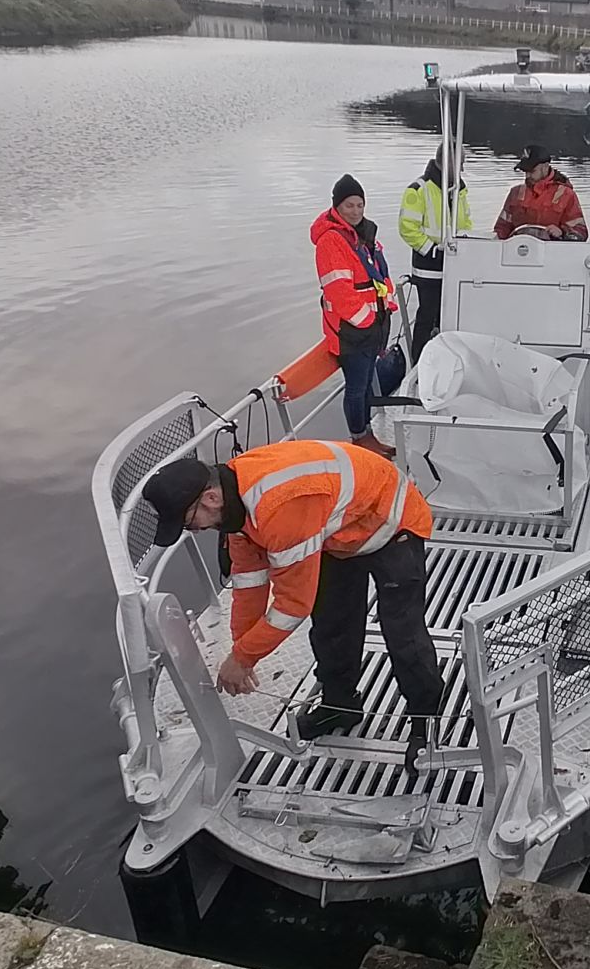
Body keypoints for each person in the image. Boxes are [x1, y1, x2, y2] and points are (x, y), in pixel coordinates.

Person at [141, 442, 444, 750]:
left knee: (403, 632)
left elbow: (293, 605)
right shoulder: (234, 509)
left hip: (391, 520)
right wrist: (241, 651)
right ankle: (340, 707)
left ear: (210, 498)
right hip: (337, 530)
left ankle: (426, 719)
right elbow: (249, 584)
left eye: (188, 521)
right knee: (331, 623)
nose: (191, 530)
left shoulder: (277, 507)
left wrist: (244, 657)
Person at [313, 174, 403, 456]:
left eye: (360, 205)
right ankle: (360, 438)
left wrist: (386, 307)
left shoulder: (364, 236)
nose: (355, 211)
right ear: (336, 207)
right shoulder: (332, 242)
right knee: (356, 387)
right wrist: (367, 321)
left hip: (371, 326)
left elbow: (381, 275)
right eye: (349, 205)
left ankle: (368, 434)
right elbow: (339, 291)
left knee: (365, 384)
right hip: (352, 330)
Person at [397, 145, 471, 356]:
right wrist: (432, 250)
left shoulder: (459, 190)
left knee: (450, 317)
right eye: (460, 164)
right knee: (427, 317)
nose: (462, 169)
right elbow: (407, 227)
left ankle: (445, 359)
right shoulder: (418, 189)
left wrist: (465, 245)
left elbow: (465, 222)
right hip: (428, 269)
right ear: (447, 162)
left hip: (454, 266)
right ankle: (418, 364)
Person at [493, 145, 589, 241]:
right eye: (525, 171)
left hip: (552, 251)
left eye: (532, 171)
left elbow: (581, 232)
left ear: (545, 167)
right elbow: (501, 229)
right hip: (519, 250)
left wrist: (562, 232)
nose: (528, 175)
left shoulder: (566, 194)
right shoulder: (515, 193)